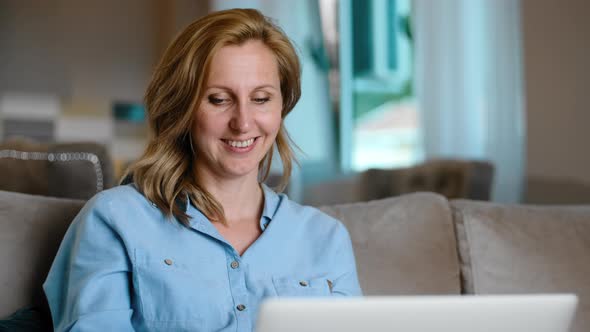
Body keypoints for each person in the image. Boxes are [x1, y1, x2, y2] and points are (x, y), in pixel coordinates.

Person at [43, 8, 361, 332]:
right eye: (219, 99)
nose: (243, 123)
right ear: (183, 107)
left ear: (282, 107)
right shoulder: (115, 219)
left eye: (261, 98)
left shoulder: (326, 238)